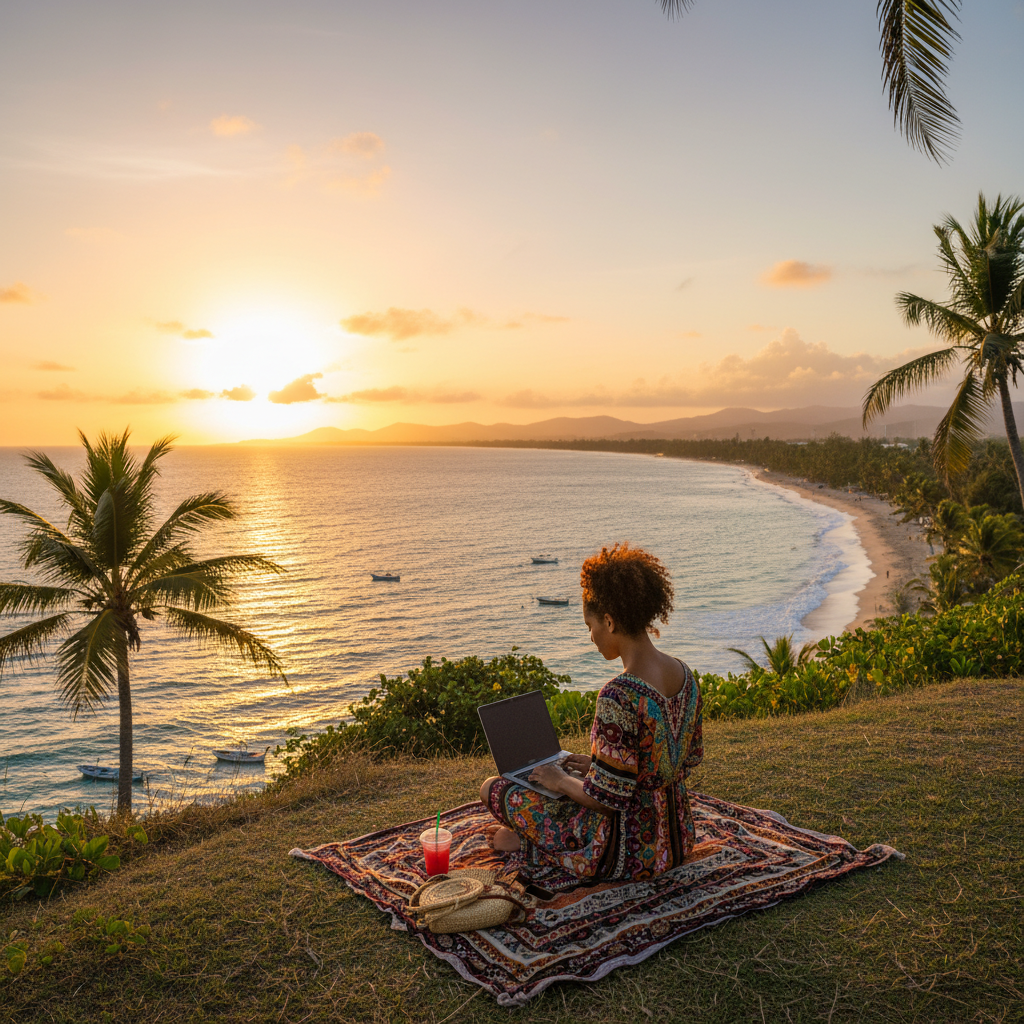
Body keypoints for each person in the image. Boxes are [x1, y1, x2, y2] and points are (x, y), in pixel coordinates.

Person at [480, 542, 703, 891]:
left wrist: (560, 779)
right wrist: (599, 765)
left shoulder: (618, 694)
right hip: (677, 838)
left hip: (626, 855)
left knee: (494, 789)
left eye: (590, 625)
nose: (591, 637)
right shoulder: (686, 675)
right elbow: (686, 759)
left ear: (610, 621)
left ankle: (532, 846)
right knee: (559, 786)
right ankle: (531, 842)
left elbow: (605, 802)